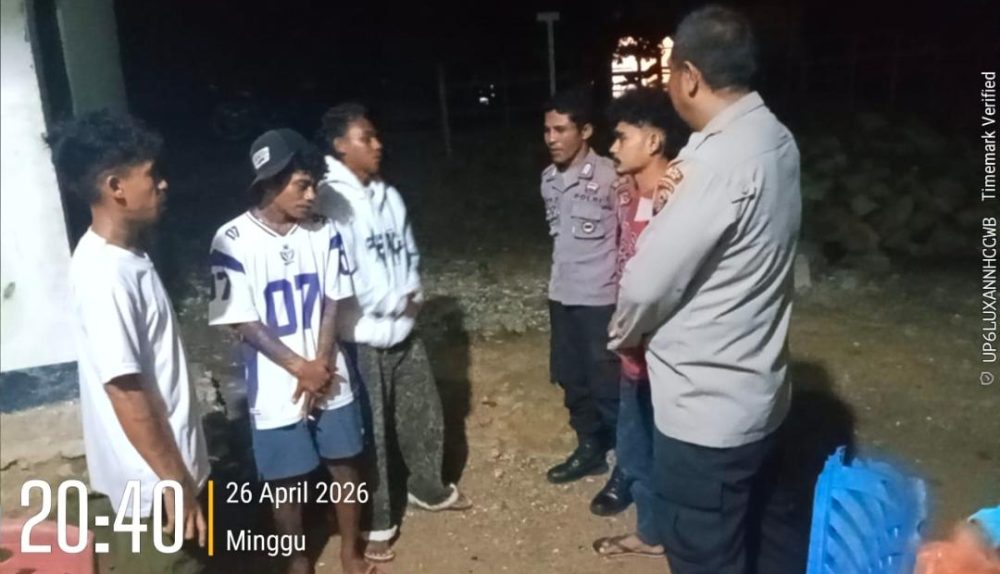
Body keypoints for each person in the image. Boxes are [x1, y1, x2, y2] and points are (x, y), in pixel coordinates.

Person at [609, 6, 808, 573]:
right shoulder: (776, 138)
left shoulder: (715, 162)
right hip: (762, 395)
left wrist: (623, 335)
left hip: (706, 415)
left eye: (672, 71)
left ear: (690, 77)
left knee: (705, 553)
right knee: (766, 545)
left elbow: (647, 282)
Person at [207, 129, 377, 574]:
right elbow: (241, 320)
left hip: (329, 370)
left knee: (345, 463)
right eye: (301, 185)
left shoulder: (323, 232)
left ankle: (350, 552)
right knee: (285, 483)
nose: (311, 194)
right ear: (270, 183)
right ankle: (297, 561)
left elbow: (332, 301)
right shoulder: (231, 239)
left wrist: (320, 362)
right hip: (275, 380)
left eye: (313, 184)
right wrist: (298, 367)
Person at [51, 110, 211, 573]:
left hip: (169, 479)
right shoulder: (105, 277)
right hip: (157, 493)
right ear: (116, 187)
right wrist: (176, 482)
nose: (163, 184)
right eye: (152, 175)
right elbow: (126, 393)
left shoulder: (126, 256)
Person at [314, 103, 471, 564]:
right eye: (366, 138)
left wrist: (413, 293)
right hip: (361, 336)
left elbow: (407, 251)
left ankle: (428, 486)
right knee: (373, 433)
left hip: (403, 329)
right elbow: (345, 274)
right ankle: (377, 520)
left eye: (376, 136)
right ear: (340, 146)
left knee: (423, 412)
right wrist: (391, 302)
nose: (377, 145)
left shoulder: (389, 196)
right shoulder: (331, 200)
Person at [592, 87, 690, 560]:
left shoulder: (684, 200)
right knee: (635, 449)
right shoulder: (627, 194)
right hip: (634, 350)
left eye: (622, 137)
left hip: (671, 356)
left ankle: (684, 538)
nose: (613, 147)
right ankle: (653, 534)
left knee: (675, 454)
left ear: (653, 141)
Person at [540, 88, 627, 514]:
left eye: (561, 130)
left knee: (608, 386)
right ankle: (590, 447)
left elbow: (629, 241)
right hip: (563, 296)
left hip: (601, 301)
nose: (551, 138)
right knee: (571, 378)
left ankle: (627, 467)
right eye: (547, 130)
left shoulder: (612, 178)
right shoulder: (548, 180)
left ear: (586, 131)